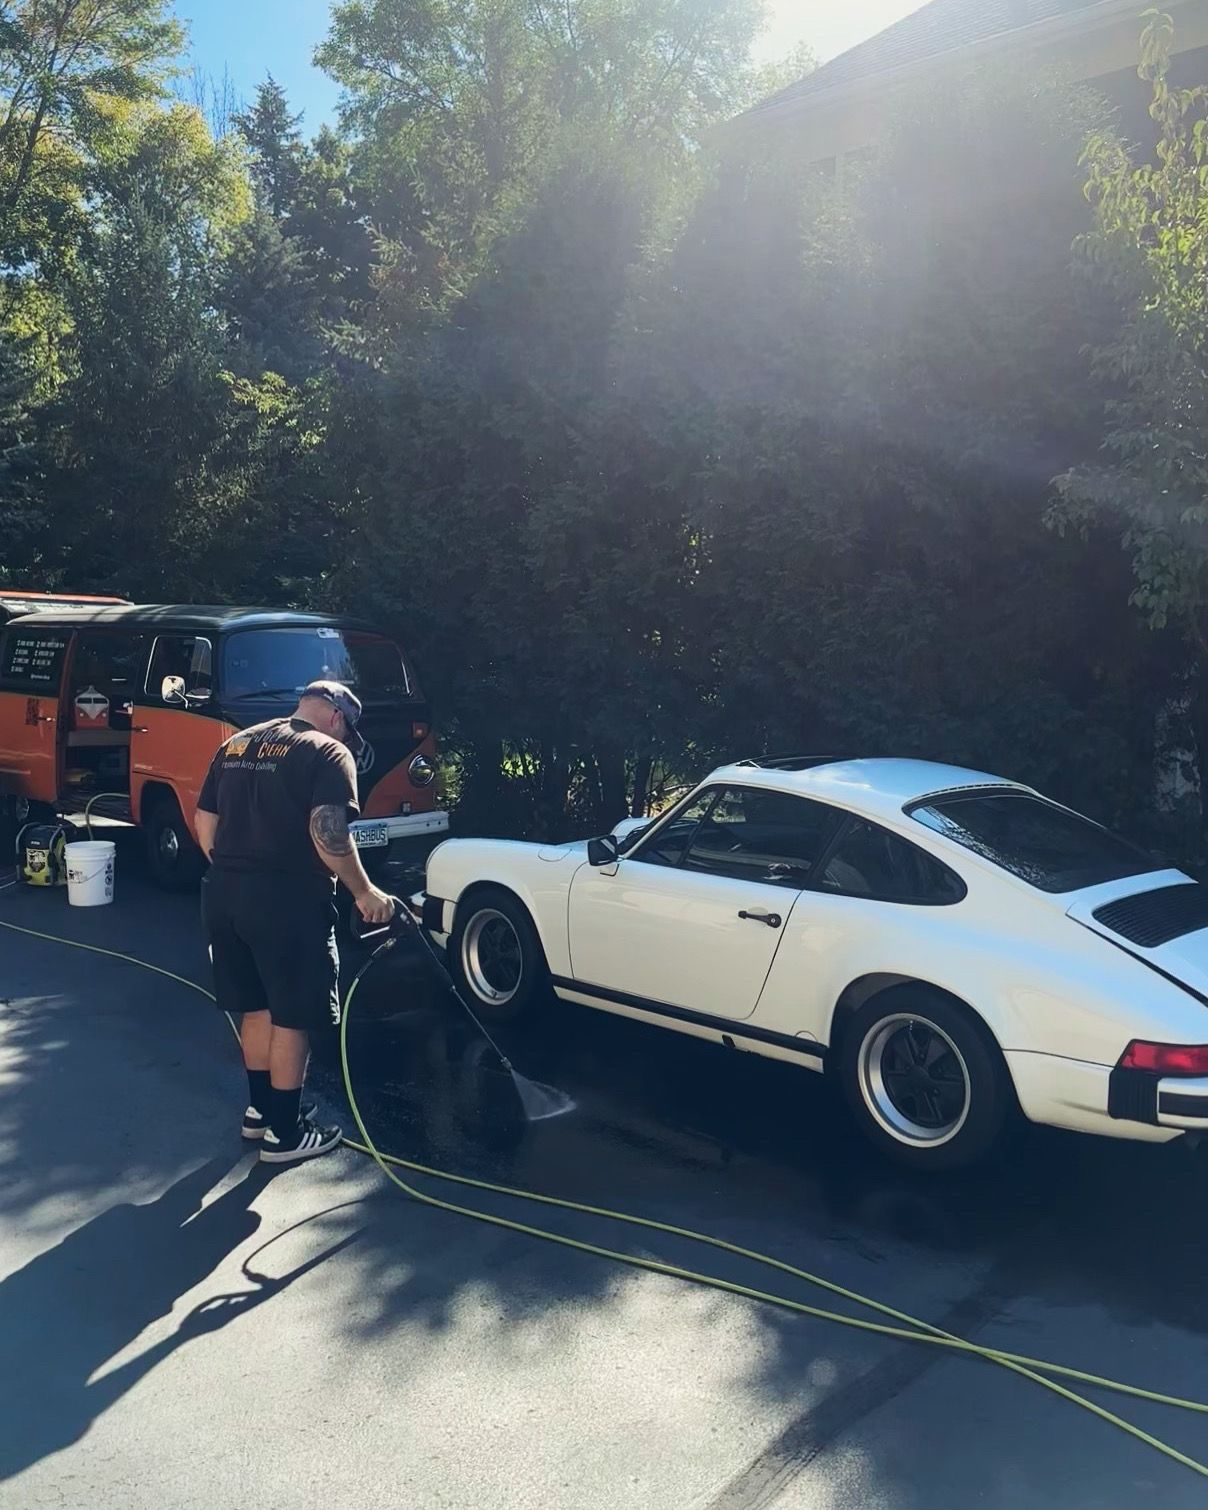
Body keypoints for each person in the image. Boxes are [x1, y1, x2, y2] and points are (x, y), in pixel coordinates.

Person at [195, 681, 395, 1164]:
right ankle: (285, 1135)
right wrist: (364, 893)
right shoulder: (328, 752)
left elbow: (205, 820)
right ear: (337, 718)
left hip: (224, 893)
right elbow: (327, 831)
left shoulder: (237, 742)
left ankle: (260, 1113)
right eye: (348, 730)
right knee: (293, 1014)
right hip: (286, 900)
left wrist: (235, 871)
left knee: (256, 1006)